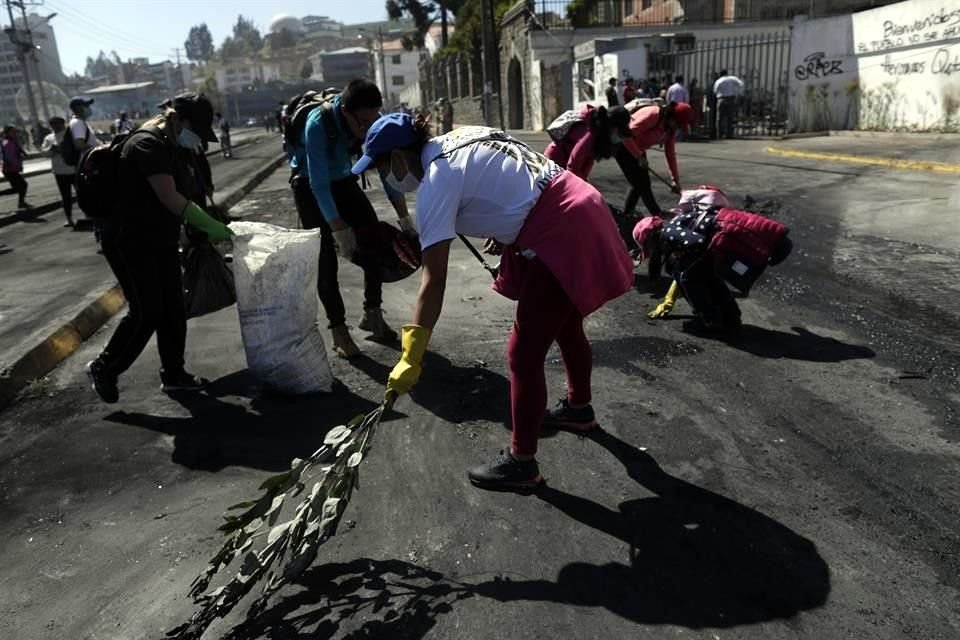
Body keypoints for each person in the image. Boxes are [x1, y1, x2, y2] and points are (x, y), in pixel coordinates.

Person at [353, 114, 634, 492]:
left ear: (400, 157)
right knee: (566, 325)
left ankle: (522, 463)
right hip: (581, 202)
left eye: (383, 167)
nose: (387, 179)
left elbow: (433, 279)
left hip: (563, 227)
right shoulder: (462, 137)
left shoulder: (437, 181)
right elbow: (515, 173)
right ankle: (579, 409)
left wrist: (411, 355)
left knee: (523, 353)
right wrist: (505, 224)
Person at [85, 92, 232, 404]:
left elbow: (188, 193)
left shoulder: (173, 145)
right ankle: (104, 367)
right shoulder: (147, 144)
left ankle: (174, 375)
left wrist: (198, 228)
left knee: (173, 309)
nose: (198, 140)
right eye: (197, 130)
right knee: (148, 310)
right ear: (180, 120)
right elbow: (169, 197)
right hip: (130, 241)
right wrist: (212, 227)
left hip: (159, 238)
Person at [289, 78, 413, 359]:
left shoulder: (373, 119)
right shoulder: (317, 125)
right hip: (309, 186)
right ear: (345, 111)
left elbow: (386, 172)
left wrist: (404, 217)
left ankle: (372, 313)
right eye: (364, 122)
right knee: (325, 260)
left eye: (373, 120)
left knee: (376, 243)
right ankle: (338, 330)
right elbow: (319, 184)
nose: (369, 128)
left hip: (344, 180)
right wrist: (338, 230)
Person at [633, 206, 792, 336]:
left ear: (650, 241)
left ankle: (709, 320)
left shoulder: (667, 232)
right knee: (712, 281)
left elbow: (697, 241)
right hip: (713, 249)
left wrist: (682, 261)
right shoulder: (675, 221)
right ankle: (731, 318)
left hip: (709, 248)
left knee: (689, 279)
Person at [615, 101, 693, 217]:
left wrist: (675, 180)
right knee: (642, 183)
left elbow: (670, 154)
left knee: (639, 183)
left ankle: (627, 213)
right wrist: (639, 156)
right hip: (623, 145)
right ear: (671, 116)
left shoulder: (669, 129)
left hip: (639, 149)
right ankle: (656, 214)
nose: (677, 128)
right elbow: (625, 135)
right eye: (678, 124)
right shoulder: (653, 115)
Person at [543, 104, 630, 180]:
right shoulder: (588, 135)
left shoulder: (598, 135)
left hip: (568, 164)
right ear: (611, 126)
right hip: (555, 161)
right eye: (619, 132)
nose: (619, 137)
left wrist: (584, 181)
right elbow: (572, 167)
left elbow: (588, 160)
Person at [41, 117, 75, 226]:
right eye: (53, 124)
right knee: (65, 196)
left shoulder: (71, 135)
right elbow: (44, 152)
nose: (55, 126)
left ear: (63, 124)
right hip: (59, 172)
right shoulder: (49, 138)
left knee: (82, 194)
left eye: (57, 124)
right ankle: (69, 219)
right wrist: (52, 149)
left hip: (74, 170)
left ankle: (89, 216)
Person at [1, 125, 30, 209]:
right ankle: (21, 203)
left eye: (16, 131)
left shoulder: (10, 141)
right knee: (21, 186)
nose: (15, 133)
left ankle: (21, 203)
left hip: (10, 168)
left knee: (20, 187)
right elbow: (10, 156)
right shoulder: (7, 142)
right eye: (13, 132)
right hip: (9, 169)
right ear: (8, 132)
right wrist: (18, 164)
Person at [713, 69, 744, 139]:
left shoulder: (719, 81)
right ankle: (729, 134)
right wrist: (738, 93)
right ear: (727, 73)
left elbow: (715, 91)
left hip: (721, 99)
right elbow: (741, 84)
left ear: (720, 74)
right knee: (730, 117)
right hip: (731, 99)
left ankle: (719, 134)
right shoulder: (732, 78)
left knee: (719, 118)